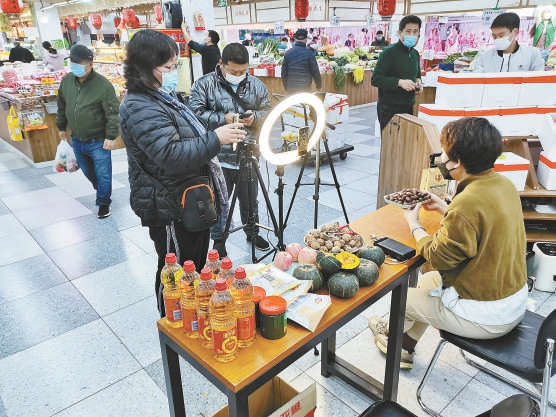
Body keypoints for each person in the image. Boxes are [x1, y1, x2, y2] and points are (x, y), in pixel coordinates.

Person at [369, 117, 528, 369]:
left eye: (445, 152)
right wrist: (446, 208)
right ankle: (404, 347)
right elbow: (480, 226)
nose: (442, 157)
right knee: (429, 282)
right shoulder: (504, 185)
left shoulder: (468, 202)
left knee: (403, 299)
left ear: (458, 162)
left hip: (490, 316)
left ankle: (390, 337)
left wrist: (414, 222)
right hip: (512, 298)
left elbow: (437, 256)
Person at [118, 29, 245, 316]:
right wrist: (216, 138)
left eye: (176, 66)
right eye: (168, 68)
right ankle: (172, 326)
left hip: (187, 198)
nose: (174, 73)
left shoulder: (163, 96)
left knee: (194, 267)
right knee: (175, 273)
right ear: (144, 67)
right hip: (169, 207)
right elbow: (171, 156)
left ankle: (193, 318)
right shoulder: (140, 105)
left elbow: (184, 136)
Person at [189, 43, 271, 256]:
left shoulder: (257, 85)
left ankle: (252, 232)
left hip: (249, 154)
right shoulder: (204, 84)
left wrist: (256, 118)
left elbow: (269, 112)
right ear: (221, 64)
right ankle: (219, 239)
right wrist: (222, 119)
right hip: (217, 157)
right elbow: (194, 115)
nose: (239, 75)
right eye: (233, 71)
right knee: (217, 201)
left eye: (243, 71)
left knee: (250, 198)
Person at [56, 44, 120, 219]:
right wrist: (61, 126)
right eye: (73, 63)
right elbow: (62, 106)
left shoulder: (103, 85)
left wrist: (111, 136)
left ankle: (103, 203)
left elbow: (113, 113)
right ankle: (102, 191)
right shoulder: (67, 81)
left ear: (90, 64)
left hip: (98, 141)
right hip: (77, 139)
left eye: (80, 63)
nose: (75, 67)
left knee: (103, 174)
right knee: (87, 172)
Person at [371, 15, 423, 132]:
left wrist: (419, 83)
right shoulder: (389, 52)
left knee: (404, 146)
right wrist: (399, 82)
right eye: (408, 31)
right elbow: (375, 79)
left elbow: (417, 75)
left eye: (415, 32)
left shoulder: (415, 54)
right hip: (389, 107)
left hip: (408, 106)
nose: (412, 35)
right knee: (390, 146)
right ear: (400, 33)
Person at [474, 12, 545, 72]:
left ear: (515, 32)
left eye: (501, 36)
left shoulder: (532, 54)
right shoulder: (484, 57)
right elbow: (478, 80)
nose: (497, 39)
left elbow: (538, 80)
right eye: (494, 36)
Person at [281, 29, 322, 93]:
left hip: (291, 88)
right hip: (305, 88)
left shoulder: (288, 53)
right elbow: (315, 71)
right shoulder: (310, 54)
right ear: (306, 39)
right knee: (303, 103)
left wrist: (286, 87)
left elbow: (284, 73)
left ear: (295, 39)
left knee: (292, 103)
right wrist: (318, 86)